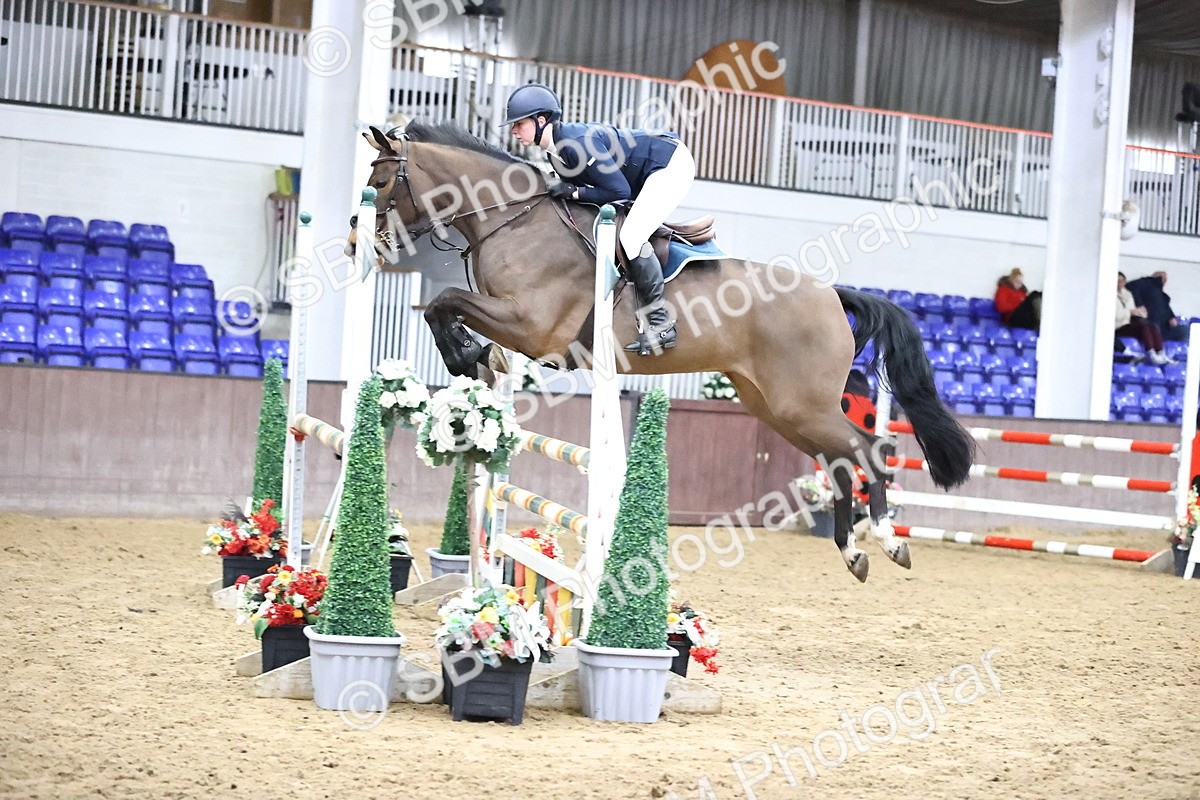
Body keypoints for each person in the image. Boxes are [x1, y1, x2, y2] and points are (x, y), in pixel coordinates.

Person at [503, 82, 696, 355]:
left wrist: (574, 192)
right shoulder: (556, 154)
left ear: (541, 120)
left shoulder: (577, 144)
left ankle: (661, 323)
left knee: (631, 236)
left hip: (670, 164)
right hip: (644, 172)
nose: (513, 130)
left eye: (519, 123)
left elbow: (619, 192)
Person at [1116, 271, 1173, 364]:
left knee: (1152, 326)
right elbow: (1116, 314)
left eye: (1122, 281)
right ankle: (1151, 353)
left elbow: (1132, 309)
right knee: (1144, 327)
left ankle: (1160, 353)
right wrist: (1131, 312)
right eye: (1118, 281)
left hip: (1128, 323)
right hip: (1118, 326)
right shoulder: (1109, 296)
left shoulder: (1127, 294)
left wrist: (1139, 313)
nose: (1120, 283)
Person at [1126, 271, 1188, 343]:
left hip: (1163, 330)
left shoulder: (1162, 296)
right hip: (1151, 327)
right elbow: (1130, 287)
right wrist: (1139, 305)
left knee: (1184, 330)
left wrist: (1172, 317)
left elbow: (1168, 311)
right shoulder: (1147, 283)